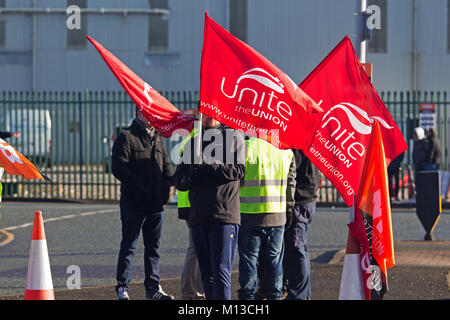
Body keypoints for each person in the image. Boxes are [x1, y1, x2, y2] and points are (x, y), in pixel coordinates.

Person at [173, 114, 246, 300]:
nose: (210, 117)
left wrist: (209, 166)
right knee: (207, 273)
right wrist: (191, 177)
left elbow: (238, 170)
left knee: (221, 270)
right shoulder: (193, 142)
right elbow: (179, 180)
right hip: (198, 216)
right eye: (205, 113)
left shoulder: (233, 138)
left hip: (224, 215)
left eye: (213, 112)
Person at [111, 108, 175, 300]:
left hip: (156, 204)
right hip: (134, 203)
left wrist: (169, 184)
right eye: (148, 113)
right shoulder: (127, 137)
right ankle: (123, 287)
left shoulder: (157, 137)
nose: (153, 117)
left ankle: (153, 288)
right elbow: (118, 167)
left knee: (153, 248)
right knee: (129, 246)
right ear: (139, 114)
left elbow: (166, 164)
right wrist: (138, 184)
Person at [237, 137, 296, 300]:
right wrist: (288, 209)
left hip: (250, 214)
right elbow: (291, 184)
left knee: (249, 262)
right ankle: (275, 296)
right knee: (274, 262)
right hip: (277, 215)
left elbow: (236, 179)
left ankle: (247, 298)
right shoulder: (286, 149)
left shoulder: (247, 147)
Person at [283, 149, 320, 300]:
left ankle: (299, 295)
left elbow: (291, 164)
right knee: (297, 247)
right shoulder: (310, 135)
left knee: (296, 247)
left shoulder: (298, 140)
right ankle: (300, 293)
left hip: (300, 196)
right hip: (307, 196)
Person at [177, 129, 205, 300]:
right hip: (192, 202)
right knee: (196, 249)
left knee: (195, 249)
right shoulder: (196, 140)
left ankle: (191, 292)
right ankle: (192, 293)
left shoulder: (192, 138)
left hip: (188, 202)